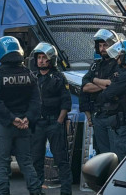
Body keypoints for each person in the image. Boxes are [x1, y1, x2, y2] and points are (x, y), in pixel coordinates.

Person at [0, 36, 42, 195]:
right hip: (24, 125)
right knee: (26, 163)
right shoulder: (29, 74)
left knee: (0, 164)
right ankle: (36, 191)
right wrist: (27, 118)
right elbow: (36, 101)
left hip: (3, 125)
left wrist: (12, 119)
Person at [29, 42, 72, 195]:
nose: (41, 61)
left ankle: (66, 191)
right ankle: (37, 191)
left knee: (61, 159)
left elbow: (66, 102)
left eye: (44, 57)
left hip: (54, 122)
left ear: (51, 59)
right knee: (36, 160)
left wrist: (59, 122)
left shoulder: (59, 77)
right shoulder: (33, 78)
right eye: (39, 57)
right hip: (38, 124)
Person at [81, 29, 119, 155]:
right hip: (98, 115)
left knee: (116, 154)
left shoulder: (119, 64)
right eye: (100, 45)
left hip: (114, 116)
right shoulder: (96, 65)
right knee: (103, 156)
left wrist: (95, 81)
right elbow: (85, 87)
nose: (102, 49)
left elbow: (113, 86)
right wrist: (102, 83)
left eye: (105, 45)